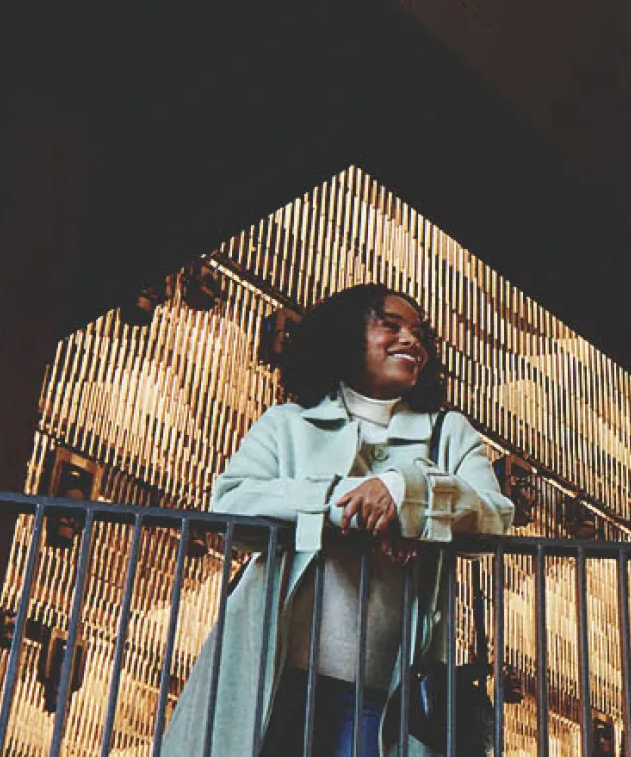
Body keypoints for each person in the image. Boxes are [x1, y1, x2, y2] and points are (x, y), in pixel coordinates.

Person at [164, 283, 515, 756]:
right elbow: (230, 504)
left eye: (420, 334)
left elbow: (494, 516)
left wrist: (404, 490)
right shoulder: (287, 423)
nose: (413, 341)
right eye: (390, 325)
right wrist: (344, 503)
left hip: (388, 700)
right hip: (275, 684)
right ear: (346, 337)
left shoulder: (449, 433)